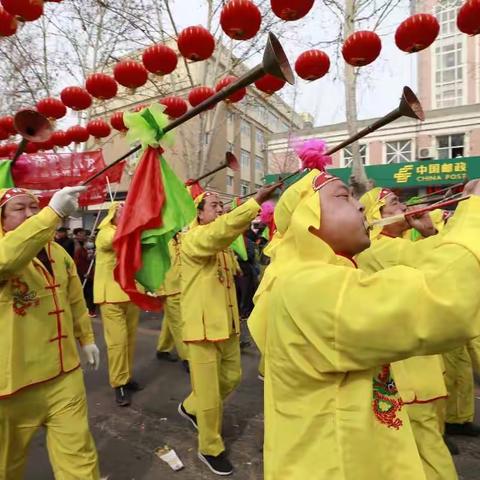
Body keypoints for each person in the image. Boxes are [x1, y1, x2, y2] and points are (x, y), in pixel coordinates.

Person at [248, 170, 480, 480]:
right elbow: (437, 300)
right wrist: (475, 212)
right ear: (309, 220)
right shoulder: (307, 285)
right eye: (343, 197)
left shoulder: (316, 278)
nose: (359, 206)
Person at [177, 184, 280, 476]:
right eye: (214, 206)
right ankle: (210, 447)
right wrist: (254, 203)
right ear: (198, 213)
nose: (220, 210)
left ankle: (189, 407)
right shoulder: (193, 238)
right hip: (202, 329)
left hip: (228, 325)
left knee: (232, 377)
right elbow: (218, 234)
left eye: (222, 206)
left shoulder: (221, 243)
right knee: (209, 396)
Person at [356, 187, 457, 479]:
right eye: (395, 203)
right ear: (377, 215)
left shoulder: (395, 243)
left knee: (425, 440)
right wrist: (432, 232)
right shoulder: (378, 247)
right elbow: (443, 262)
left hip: (420, 359)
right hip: (406, 368)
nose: (404, 207)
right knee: (428, 446)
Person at [0, 186, 100, 479]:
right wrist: (52, 214)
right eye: (20, 208)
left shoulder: (58, 253)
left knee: (80, 460)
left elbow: (74, 301)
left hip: (64, 375)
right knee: (6, 466)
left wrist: (87, 339)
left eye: (34, 206)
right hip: (10, 387)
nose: (30, 213)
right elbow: (7, 260)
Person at [94, 202, 141, 407]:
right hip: (110, 297)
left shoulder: (131, 233)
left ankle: (126, 377)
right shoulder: (105, 232)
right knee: (117, 343)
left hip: (130, 294)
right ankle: (119, 383)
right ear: (113, 214)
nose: (127, 213)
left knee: (129, 341)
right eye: (123, 210)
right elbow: (111, 242)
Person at [156, 233, 189, 370]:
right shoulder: (161, 241)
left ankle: (163, 349)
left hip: (184, 286)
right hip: (169, 290)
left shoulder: (183, 237)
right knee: (179, 324)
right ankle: (187, 357)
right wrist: (160, 290)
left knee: (170, 320)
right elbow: (156, 266)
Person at [73, 227, 96, 317]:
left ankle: (91, 309)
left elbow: (90, 258)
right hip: (79, 270)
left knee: (90, 291)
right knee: (83, 291)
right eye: (79, 234)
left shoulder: (89, 244)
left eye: (82, 234)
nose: (81, 236)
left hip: (89, 271)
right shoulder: (75, 244)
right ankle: (84, 307)